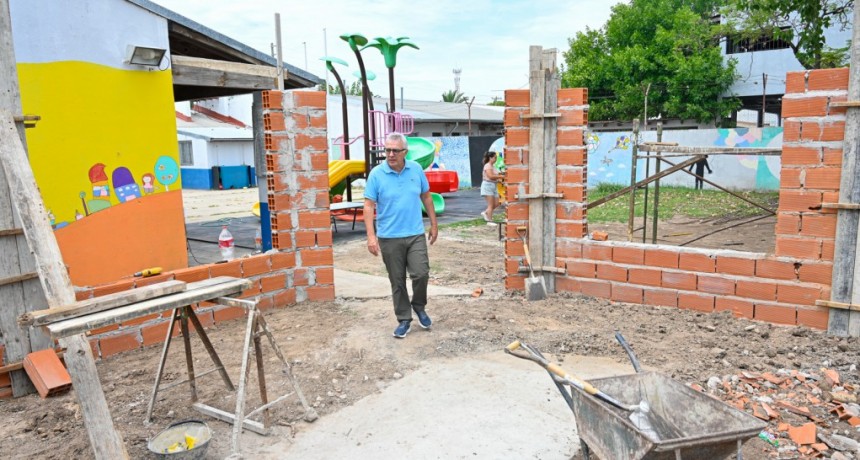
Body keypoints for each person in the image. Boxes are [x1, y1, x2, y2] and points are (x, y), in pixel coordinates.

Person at [364, 132, 438, 338]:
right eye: (387, 150)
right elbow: (369, 206)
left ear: (405, 152)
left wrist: (434, 224)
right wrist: (371, 236)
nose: (390, 154)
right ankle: (404, 319)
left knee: (421, 273)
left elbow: (426, 196)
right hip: (389, 237)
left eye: (395, 150)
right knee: (397, 280)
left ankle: (419, 306)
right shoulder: (376, 174)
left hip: (415, 234)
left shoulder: (415, 169)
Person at [480, 151, 504, 222]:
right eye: (495, 158)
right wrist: (501, 176)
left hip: (493, 185)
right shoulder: (487, 166)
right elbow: (490, 176)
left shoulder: (493, 166)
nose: (496, 159)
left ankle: (486, 212)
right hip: (488, 185)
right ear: (490, 158)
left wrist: (499, 179)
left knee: (497, 203)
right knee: (491, 205)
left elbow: (494, 176)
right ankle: (490, 220)